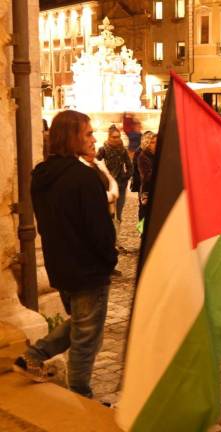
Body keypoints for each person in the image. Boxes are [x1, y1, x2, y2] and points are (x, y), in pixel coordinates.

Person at [14, 110, 117, 398]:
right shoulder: (84, 178)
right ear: (71, 138)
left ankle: (33, 355)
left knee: (83, 323)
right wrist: (110, 260)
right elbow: (99, 231)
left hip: (61, 268)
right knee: (87, 339)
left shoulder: (42, 176)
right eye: (87, 133)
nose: (93, 139)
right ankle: (81, 397)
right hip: (88, 269)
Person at [96, 125, 132, 227]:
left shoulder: (123, 150)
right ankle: (111, 234)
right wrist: (103, 175)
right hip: (109, 184)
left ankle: (117, 233)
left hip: (121, 183)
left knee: (119, 212)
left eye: (118, 136)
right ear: (109, 137)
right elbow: (95, 162)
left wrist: (126, 176)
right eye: (114, 137)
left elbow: (129, 165)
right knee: (110, 212)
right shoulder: (104, 149)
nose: (117, 139)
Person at [137, 132, 157, 221]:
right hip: (147, 190)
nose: (155, 144)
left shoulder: (157, 155)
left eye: (156, 142)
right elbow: (146, 176)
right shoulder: (143, 156)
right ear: (147, 143)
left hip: (157, 189)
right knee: (144, 214)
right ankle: (142, 233)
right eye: (152, 142)